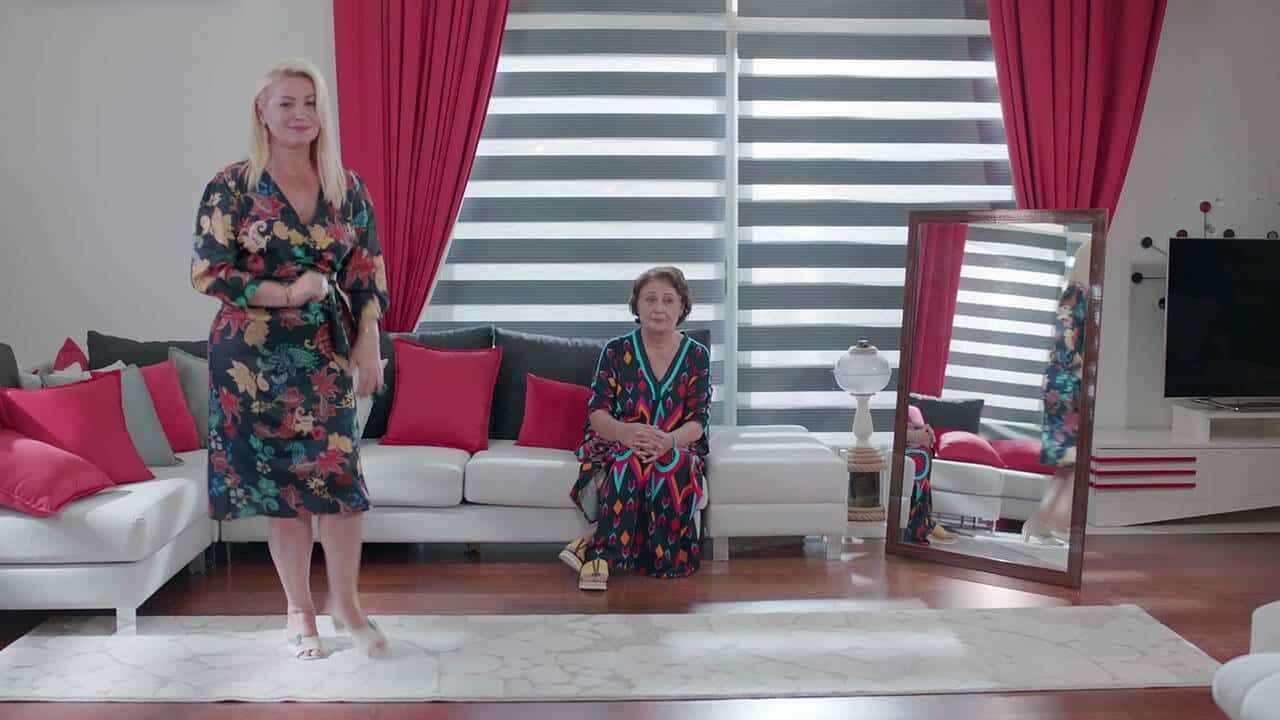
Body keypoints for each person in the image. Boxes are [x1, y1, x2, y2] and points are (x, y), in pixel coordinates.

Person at [191, 58, 390, 659]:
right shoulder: (232, 186)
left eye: (310, 103)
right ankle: (299, 610)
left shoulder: (346, 187)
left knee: (340, 481)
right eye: (287, 103)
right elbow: (208, 271)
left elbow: (366, 272)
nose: (301, 114)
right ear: (262, 112)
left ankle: (346, 605)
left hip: (324, 352)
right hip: (250, 360)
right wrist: (284, 293)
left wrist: (369, 340)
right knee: (282, 491)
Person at [560, 267, 713, 591]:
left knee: (671, 466)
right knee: (629, 463)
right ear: (637, 305)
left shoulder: (697, 355)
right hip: (619, 440)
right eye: (650, 299)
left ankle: (593, 545)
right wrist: (624, 433)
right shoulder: (615, 351)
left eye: (668, 300)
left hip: (674, 443)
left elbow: (698, 422)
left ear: (682, 306)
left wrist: (669, 440)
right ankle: (601, 558)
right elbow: (597, 412)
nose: (659, 308)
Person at [1024, 241, 1090, 544]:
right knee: (1074, 462)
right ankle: (1049, 526)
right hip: (1069, 386)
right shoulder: (1080, 298)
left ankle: (1042, 525)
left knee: (1069, 465)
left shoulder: (1074, 296)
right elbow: (1069, 345)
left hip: (1061, 384)